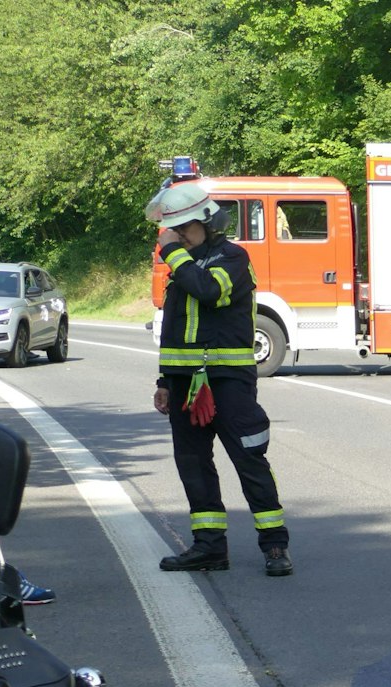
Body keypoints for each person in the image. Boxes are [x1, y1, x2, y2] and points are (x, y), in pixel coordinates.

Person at [144, 181, 292, 578]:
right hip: (183, 384)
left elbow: (207, 291)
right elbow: (174, 328)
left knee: (249, 459)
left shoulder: (233, 259)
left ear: (206, 224)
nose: (176, 239)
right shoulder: (183, 267)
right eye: (173, 232)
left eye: (183, 231)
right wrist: (164, 380)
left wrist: (172, 251)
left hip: (227, 383)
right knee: (193, 464)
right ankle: (210, 546)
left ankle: (275, 545)